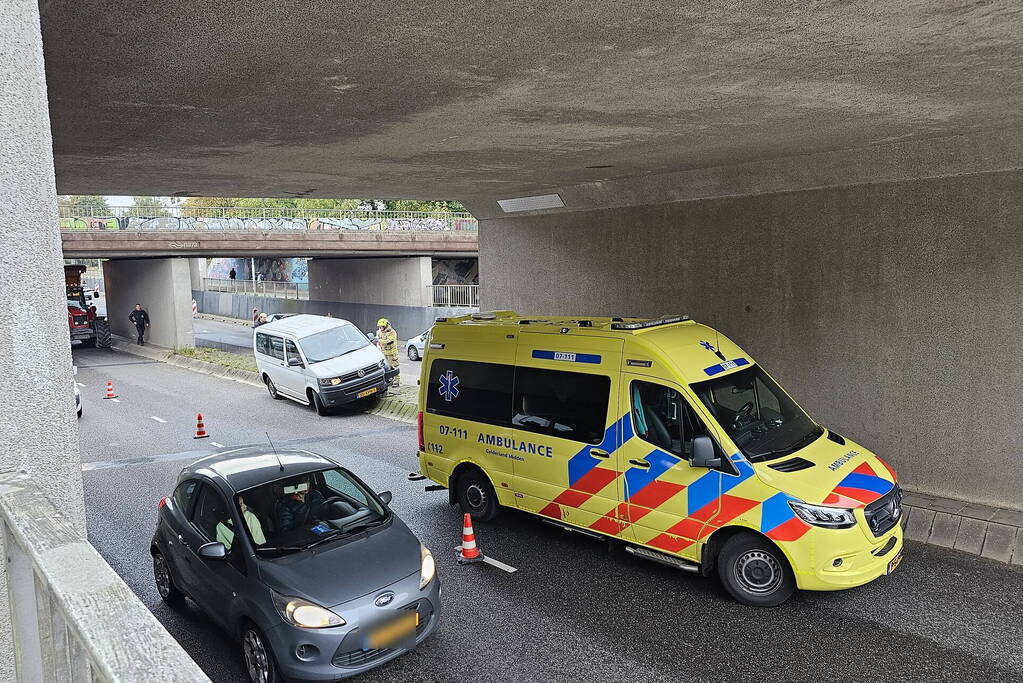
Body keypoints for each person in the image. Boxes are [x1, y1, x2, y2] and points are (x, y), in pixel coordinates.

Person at [376, 318, 400, 388]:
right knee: (387, 368)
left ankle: (396, 382)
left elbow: (389, 341)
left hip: (391, 354)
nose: (380, 328)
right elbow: (378, 338)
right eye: (379, 327)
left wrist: (379, 340)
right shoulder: (380, 332)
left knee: (394, 367)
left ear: (386, 326)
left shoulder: (392, 332)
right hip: (384, 353)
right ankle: (390, 380)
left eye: (381, 326)